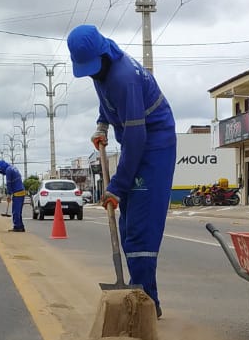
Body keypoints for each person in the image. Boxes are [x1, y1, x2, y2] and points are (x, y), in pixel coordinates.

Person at [67, 24, 176, 318]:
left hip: (154, 146)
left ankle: (145, 306)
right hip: (135, 142)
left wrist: (116, 186)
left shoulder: (124, 78)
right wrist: (102, 125)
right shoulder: (102, 68)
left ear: (102, 54)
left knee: (140, 232)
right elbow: (107, 100)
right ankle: (144, 299)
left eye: (91, 67)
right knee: (127, 229)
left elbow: (136, 140)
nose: (90, 73)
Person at [0, 159, 26, 232]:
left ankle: (17, 227)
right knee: (18, 211)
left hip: (17, 193)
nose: (2, 173)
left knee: (15, 211)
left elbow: (9, 183)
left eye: (1, 170)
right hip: (21, 191)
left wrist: (9, 194)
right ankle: (21, 226)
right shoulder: (13, 168)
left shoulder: (8, 170)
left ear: (2, 167)